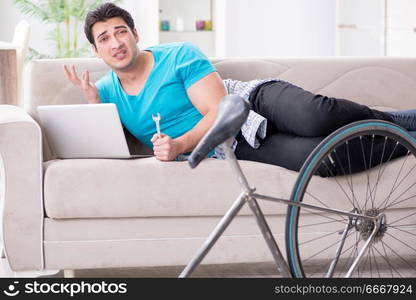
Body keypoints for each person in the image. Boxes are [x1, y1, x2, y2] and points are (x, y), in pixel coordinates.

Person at [64, 3, 416, 173]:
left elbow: (219, 110)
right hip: (234, 145)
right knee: (325, 160)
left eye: (121, 31)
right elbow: (110, 150)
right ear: (96, 51)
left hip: (249, 103)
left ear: (135, 34)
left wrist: (182, 145)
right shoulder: (106, 92)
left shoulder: (178, 55)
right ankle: (411, 140)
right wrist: (96, 106)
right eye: (104, 38)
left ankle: (395, 118)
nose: (116, 42)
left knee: (316, 117)